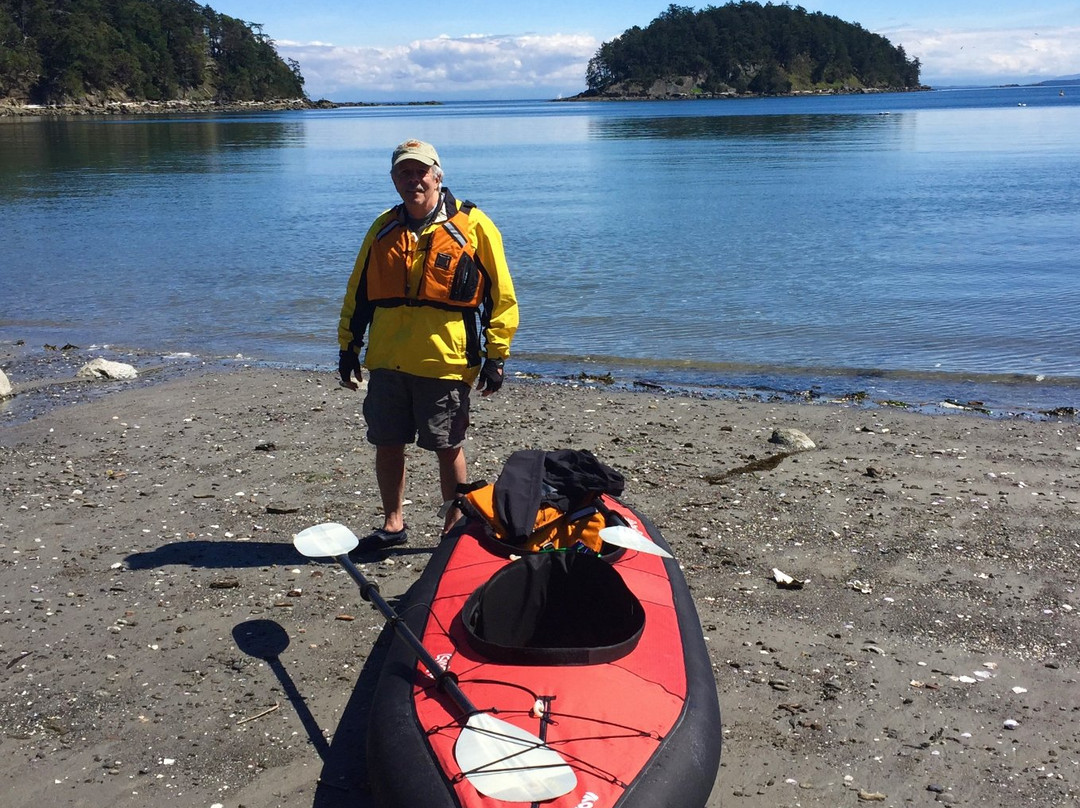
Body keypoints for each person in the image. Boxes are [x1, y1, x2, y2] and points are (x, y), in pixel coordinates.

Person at [337, 139, 518, 551]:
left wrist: (497, 356)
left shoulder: (474, 226)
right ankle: (393, 524)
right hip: (387, 358)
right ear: (394, 180)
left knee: (446, 445)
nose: (413, 179)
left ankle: (453, 528)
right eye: (405, 172)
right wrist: (348, 346)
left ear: (438, 175)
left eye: (421, 171)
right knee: (387, 442)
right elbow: (358, 291)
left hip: (446, 359)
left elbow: (502, 297)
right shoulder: (382, 226)